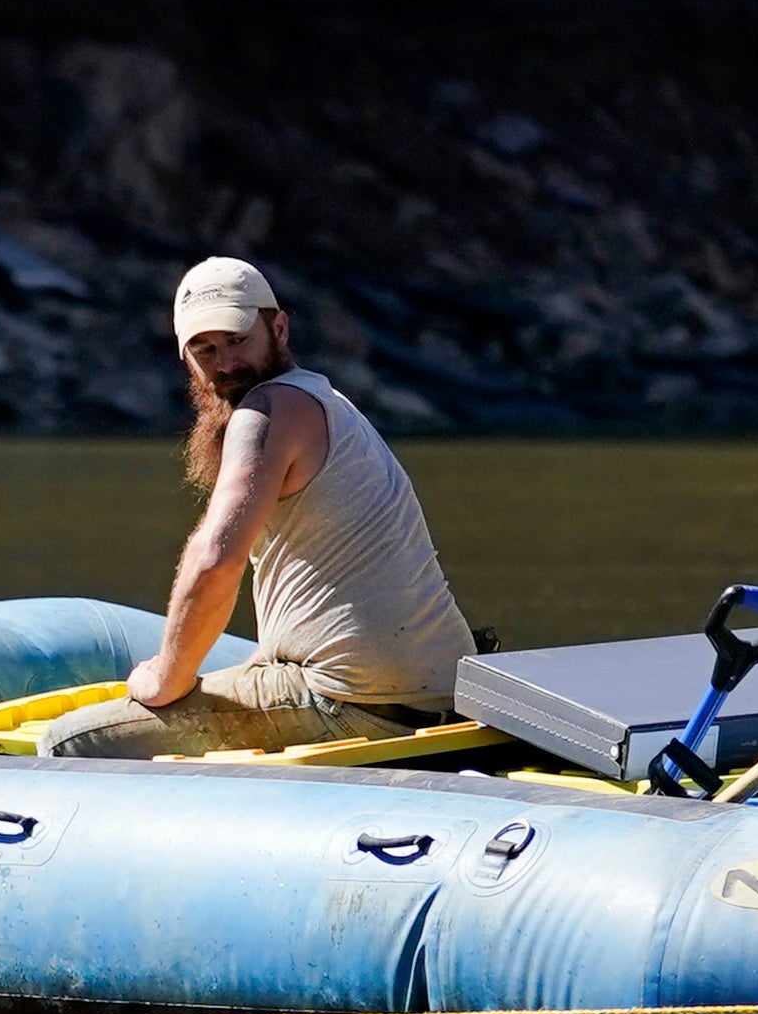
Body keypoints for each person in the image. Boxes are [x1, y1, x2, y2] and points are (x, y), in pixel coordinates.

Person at [45, 256, 475, 757]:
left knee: (69, 743)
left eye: (237, 340)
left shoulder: (267, 411)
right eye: (205, 349)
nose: (225, 364)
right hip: (441, 696)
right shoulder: (326, 399)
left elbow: (215, 559)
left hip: (351, 700)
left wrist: (164, 677)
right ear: (185, 358)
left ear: (279, 327)